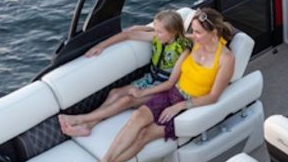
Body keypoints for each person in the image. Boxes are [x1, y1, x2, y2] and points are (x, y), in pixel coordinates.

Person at [70, 7, 235, 162]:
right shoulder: (194, 41)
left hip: (190, 105)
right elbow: (172, 33)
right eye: (193, 31)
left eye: (198, 32)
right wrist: (141, 28)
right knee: (137, 117)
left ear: (213, 32)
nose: (193, 35)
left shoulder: (226, 58)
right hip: (172, 93)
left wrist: (180, 106)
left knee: (143, 135)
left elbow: (213, 96)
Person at [59, 9, 191, 137]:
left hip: (164, 90)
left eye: (159, 31)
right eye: (155, 30)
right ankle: (88, 125)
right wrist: (101, 46)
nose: (155, 33)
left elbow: (170, 83)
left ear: (172, 33)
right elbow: (128, 35)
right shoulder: (158, 37)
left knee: (126, 100)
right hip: (150, 79)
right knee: (114, 93)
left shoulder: (183, 51)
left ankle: (80, 119)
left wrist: (142, 92)